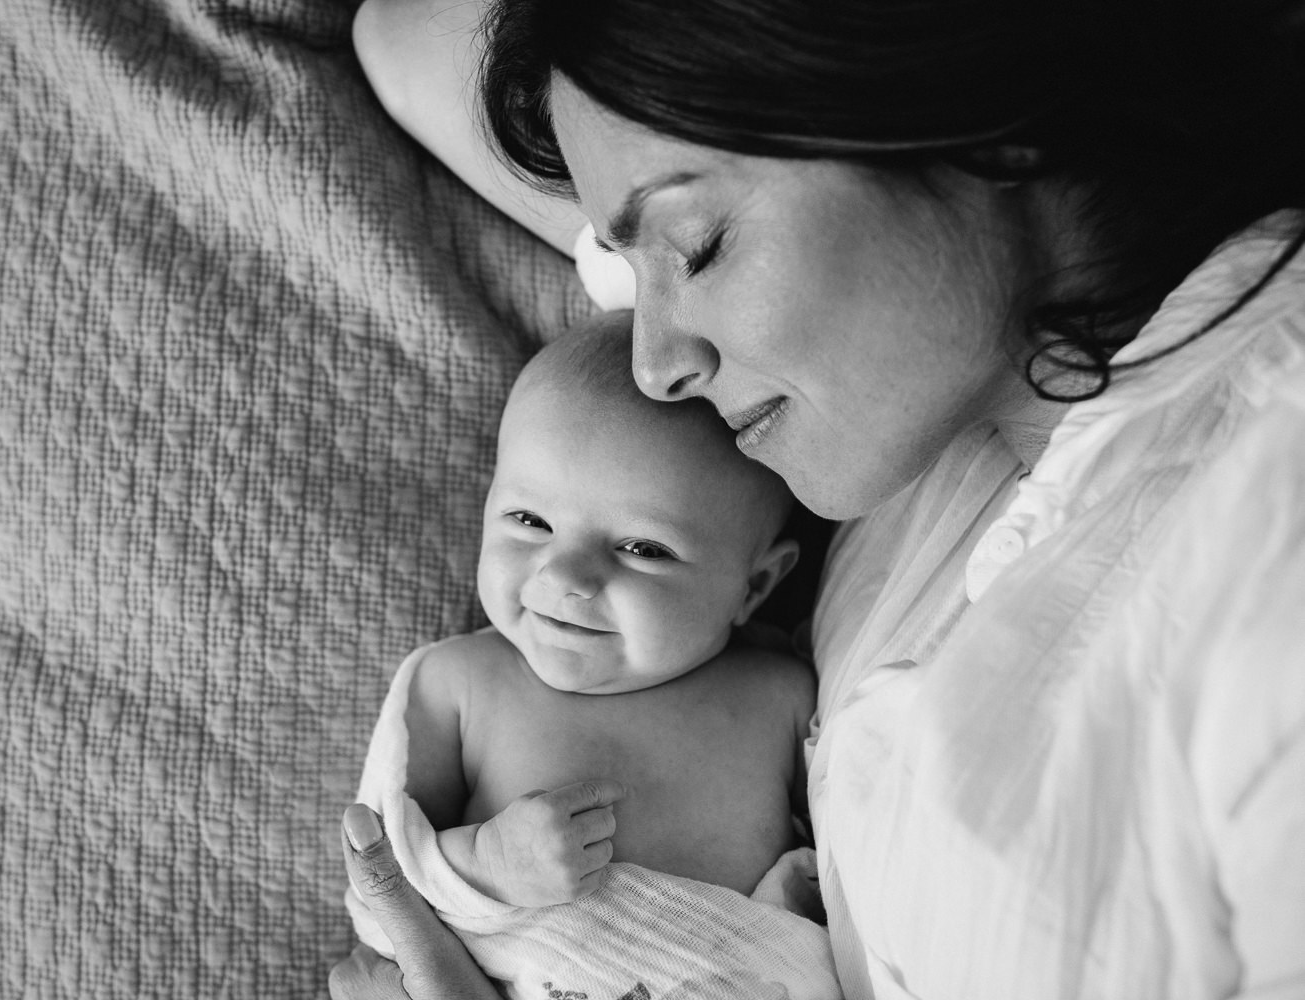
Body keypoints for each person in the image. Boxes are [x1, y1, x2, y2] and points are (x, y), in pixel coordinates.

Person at [336, 1, 1305, 997]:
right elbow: (409, 41)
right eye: (633, 262)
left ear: (964, 109)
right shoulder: (891, 402)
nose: (656, 364)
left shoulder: (1265, 540)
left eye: (698, 246)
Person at [345, 313, 841, 1000]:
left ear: (753, 585)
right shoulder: (456, 683)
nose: (567, 576)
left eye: (642, 548)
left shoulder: (782, 695)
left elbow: (856, 856)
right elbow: (382, 871)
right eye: (530, 521)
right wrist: (485, 868)